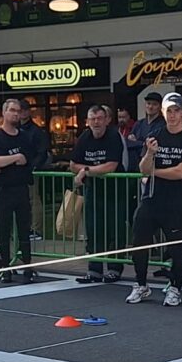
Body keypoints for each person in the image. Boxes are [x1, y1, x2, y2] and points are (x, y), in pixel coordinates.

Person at [126, 92, 182, 307]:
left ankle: (175, 287)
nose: (172, 115)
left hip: (176, 201)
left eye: (176, 110)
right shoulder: (155, 134)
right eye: (169, 111)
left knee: (177, 247)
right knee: (139, 240)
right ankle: (141, 284)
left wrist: (154, 172)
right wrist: (150, 154)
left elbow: (181, 172)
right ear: (163, 112)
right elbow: (142, 168)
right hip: (151, 198)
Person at [71, 104, 126, 283]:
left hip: (115, 191)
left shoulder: (113, 136)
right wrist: (88, 170)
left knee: (115, 230)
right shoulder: (84, 137)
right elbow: (73, 165)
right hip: (93, 190)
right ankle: (94, 269)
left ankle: (114, 269)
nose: (96, 122)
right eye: (92, 119)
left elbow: (111, 166)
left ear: (107, 120)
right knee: (93, 230)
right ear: (87, 121)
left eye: (100, 118)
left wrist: (86, 170)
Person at [0, 98, 36, 284]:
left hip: (21, 187)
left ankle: (28, 266)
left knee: (24, 230)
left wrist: (6, 162)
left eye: (18, 111)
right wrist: (14, 158)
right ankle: (5, 268)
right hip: (4, 189)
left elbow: (28, 161)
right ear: (4, 112)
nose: (16, 114)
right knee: (4, 231)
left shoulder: (24, 137)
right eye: (12, 110)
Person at [17, 99, 51, 240]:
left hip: (30, 169)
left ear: (28, 111)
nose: (22, 113)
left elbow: (42, 152)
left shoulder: (36, 131)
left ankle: (36, 229)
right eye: (19, 110)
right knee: (21, 199)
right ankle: (23, 228)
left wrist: (33, 167)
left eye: (24, 110)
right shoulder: (16, 128)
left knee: (33, 199)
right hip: (16, 169)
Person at [126, 91, 164, 169]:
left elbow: (153, 144)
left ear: (160, 107)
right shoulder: (138, 123)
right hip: (135, 163)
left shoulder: (163, 125)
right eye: (148, 103)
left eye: (154, 104)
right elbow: (128, 143)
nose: (150, 107)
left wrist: (136, 142)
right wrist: (143, 143)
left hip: (153, 164)